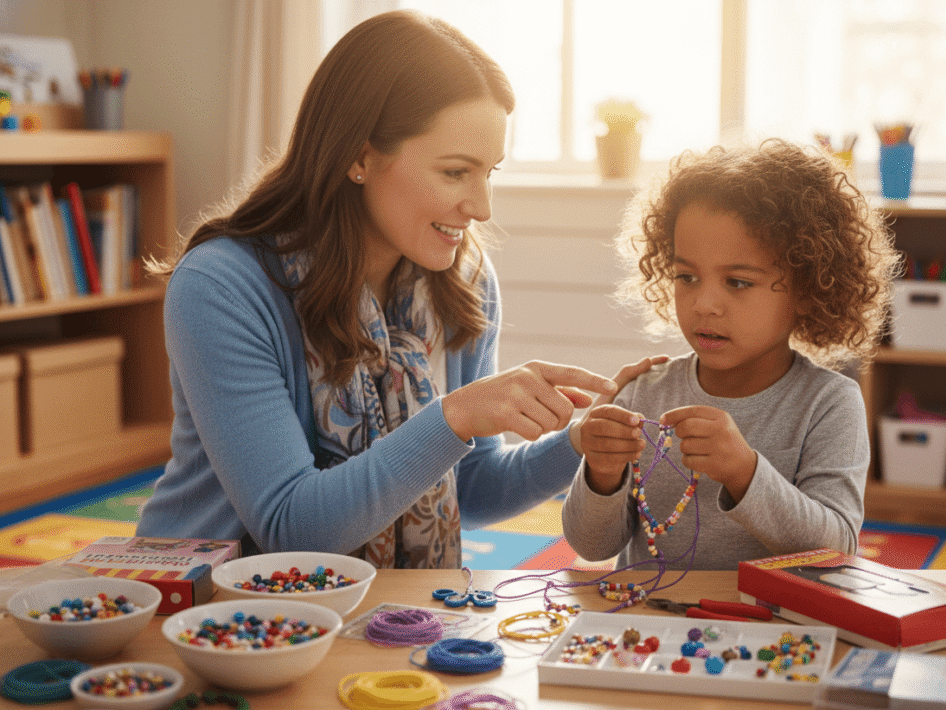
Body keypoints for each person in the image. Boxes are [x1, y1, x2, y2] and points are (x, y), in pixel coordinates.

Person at [136, 10, 656, 567]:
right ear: (360, 157)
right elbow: (291, 526)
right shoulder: (223, 287)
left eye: (490, 172)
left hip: (377, 609)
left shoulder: (463, 282)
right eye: (456, 172)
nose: (481, 208)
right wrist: (455, 416)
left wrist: (580, 439)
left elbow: (470, 489)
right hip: (210, 600)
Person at [562, 138, 903, 571]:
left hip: (772, 632)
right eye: (687, 276)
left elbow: (836, 551)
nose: (704, 303)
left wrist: (745, 473)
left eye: (738, 282)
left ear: (807, 288)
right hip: (651, 631)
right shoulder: (641, 395)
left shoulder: (829, 404)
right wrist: (601, 474)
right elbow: (592, 548)